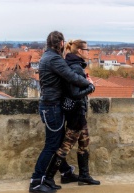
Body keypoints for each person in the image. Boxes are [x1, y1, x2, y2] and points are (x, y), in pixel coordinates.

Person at [29, 32, 94, 193]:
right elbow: (71, 76)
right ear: (61, 43)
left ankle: (65, 172)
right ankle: (36, 182)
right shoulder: (54, 58)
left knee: (57, 143)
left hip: (50, 105)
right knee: (51, 146)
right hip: (51, 107)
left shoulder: (46, 56)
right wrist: (89, 85)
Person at [42, 39, 100, 188]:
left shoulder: (72, 65)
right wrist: (91, 87)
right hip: (76, 113)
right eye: (87, 50)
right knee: (65, 146)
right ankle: (48, 177)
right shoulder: (76, 67)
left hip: (77, 112)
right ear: (80, 51)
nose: (89, 52)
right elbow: (75, 93)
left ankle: (84, 176)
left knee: (84, 143)